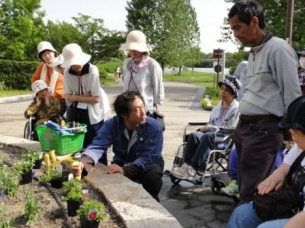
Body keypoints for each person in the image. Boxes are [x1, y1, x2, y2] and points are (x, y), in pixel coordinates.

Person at [228, 0, 302, 203]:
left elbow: (293, 96)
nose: (235, 34)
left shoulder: (278, 49)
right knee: (244, 186)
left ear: (253, 21)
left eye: (237, 28)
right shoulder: (253, 52)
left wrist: (295, 132)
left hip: (264, 130)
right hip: (246, 128)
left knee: (252, 192)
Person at [70, 91, 164, 202]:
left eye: (143, 106)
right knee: (109, 176)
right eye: (137, 109)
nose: (143, 112)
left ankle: (152, 200)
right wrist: (84, 163)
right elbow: (97, 146)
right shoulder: (112, 125)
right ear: (124, 115)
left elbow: (149, 158)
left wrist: (125, 170)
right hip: (123, 160)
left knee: (152, 177)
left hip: (148, 163)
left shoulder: (153, 127)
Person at [227, 95, 305, 228]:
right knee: (242, 213)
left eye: (294, 129)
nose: (291, 133)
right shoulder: (300, 146)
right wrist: (278, 174)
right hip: (293, 205)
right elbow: (287, 164)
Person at [171, 76, 241, 180]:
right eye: (222, 88)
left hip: (224, 141)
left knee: (208, 135)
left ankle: (192, 168)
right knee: (195, 135)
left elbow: (230, 128)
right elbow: (210, 123)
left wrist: (208, 128)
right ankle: (185, 166)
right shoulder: (218, 107)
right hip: (211, 136)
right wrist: (206, 127)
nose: (222, 92)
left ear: (233, 94)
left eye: (226, 90)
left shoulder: (236, 109)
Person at [61, 43, 110, 164]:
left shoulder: (93, 70)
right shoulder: (67, 72)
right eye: (73, 64)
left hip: (94, 113)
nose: (77, 66)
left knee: (96, 142)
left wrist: (75, 97)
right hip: (76, 112)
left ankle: (102, 170)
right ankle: (82, 169)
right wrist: (83, 97)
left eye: (78, 62)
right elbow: (68, 97)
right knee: (78, 143)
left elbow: (96, 99)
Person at [120, 30, 164, 110]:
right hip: (127, 107)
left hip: (144, 107)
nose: (133, 52)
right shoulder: (127, 63)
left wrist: (155, 102)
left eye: (136, 49)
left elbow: (158, 86)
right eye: (130, 48)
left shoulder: (152, 64)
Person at [31, 41, 66, 114]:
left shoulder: (62, 64)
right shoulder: (42, 66)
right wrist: (41, 92)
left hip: (62, 99)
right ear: (42, 58)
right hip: (46, 98)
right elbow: (34, 80)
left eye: (49, 53)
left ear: (54, 53)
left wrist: (54, 93)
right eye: (44, 55)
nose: (47, 56)